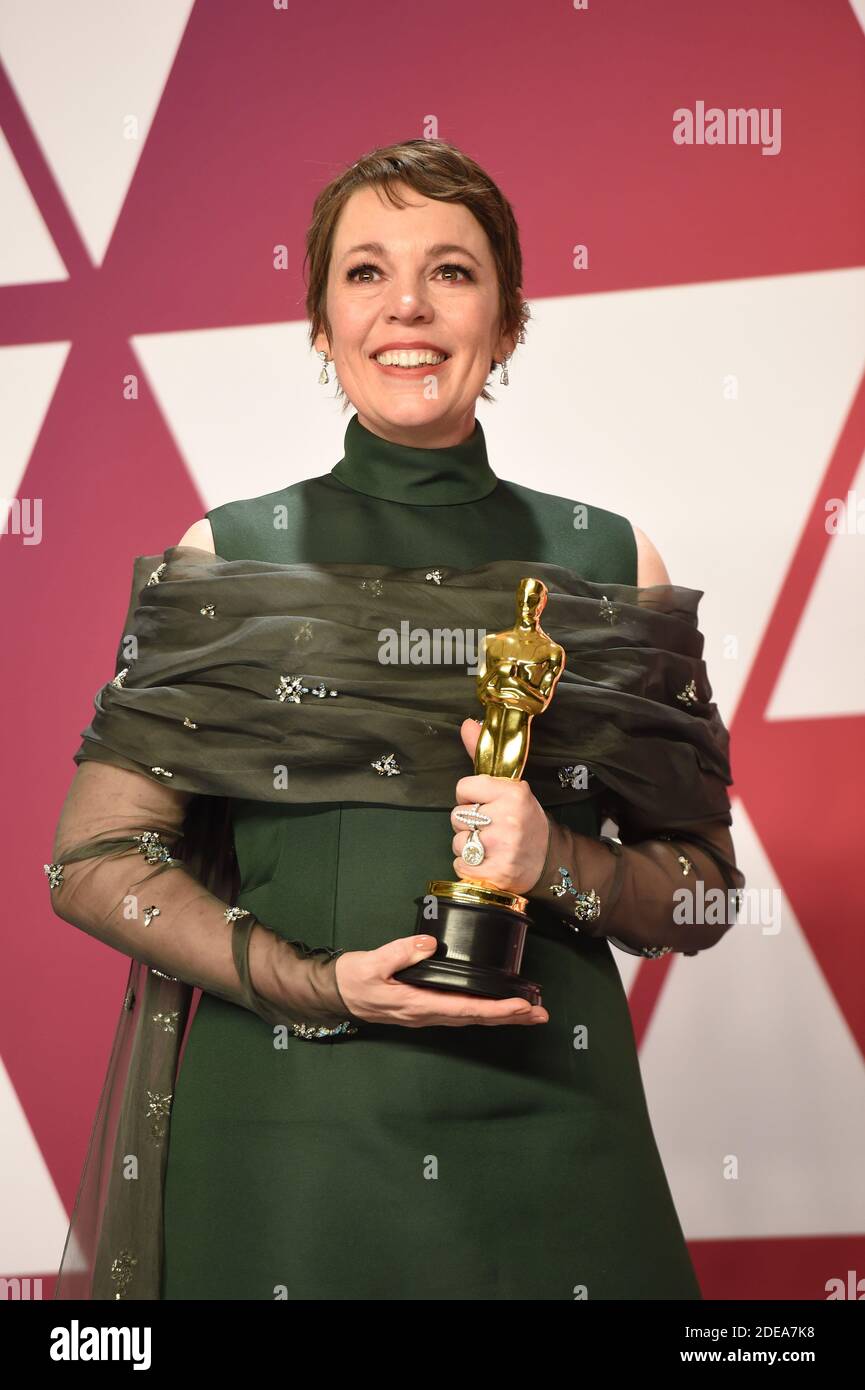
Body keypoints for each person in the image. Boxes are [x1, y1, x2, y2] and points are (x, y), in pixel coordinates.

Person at [49, 138, 745, 1301]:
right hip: (285, 1144)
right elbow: (90, 860)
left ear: (509, 321)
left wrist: (560, 862)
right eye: (365, 273)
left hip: (554, 1130)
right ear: (320, 325)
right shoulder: (229, 554)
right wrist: (319, 985)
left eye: (452, 272)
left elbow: (707, 893)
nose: (406, 306)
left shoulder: (609, 563)